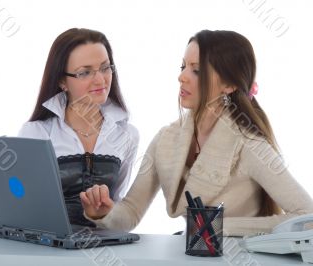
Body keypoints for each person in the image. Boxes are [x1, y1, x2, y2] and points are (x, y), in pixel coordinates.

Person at [80, 30, 313, 236]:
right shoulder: (166, 138)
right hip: (192, 256)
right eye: (183, 67)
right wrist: (103, 214)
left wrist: (222, 227)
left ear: (229, 85)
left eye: (197, 70)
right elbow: (131, 211)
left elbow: (308, 217)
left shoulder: (249, 145)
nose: (182, 76)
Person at [18, 28, 139, 227]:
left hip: (104, 248)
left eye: (105, 67)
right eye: (85, 72)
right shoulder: (36, 133)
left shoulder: (127, 135)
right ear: (61, 81)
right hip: (47, 249)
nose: (100, 80)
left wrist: (103, 215)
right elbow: (23, 206)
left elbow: (119, 207)